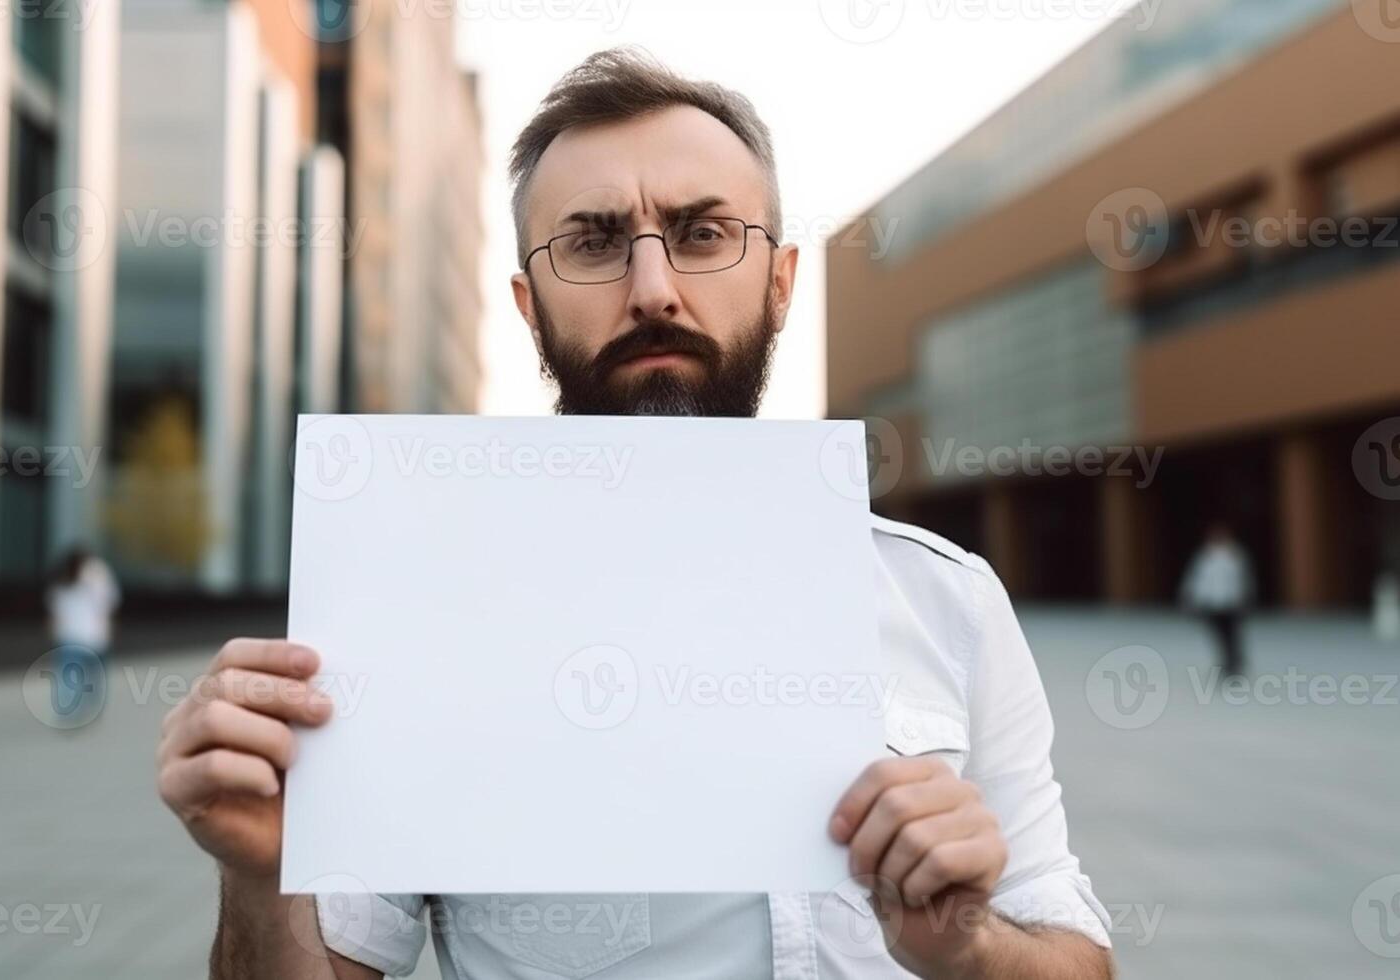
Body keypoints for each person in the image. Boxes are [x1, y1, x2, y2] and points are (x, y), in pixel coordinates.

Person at [157, 49, 1114, 980]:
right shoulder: (420, 620)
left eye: (702, 234)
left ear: (780, 284)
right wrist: (258, 875)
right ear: (529, 310)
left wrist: (971, 949)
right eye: (594, 241)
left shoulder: (946, 601)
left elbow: (1074, 952)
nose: (653, 289)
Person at [46, 546, 122, 720]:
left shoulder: (61, 578)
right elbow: (109, 602)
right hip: (94, 635)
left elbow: (55, 609)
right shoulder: (98, 574)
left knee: (68, 674)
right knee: (93, 675)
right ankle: (88, 707)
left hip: (69, 636)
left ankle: (68, 709)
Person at [1180, 523, 1255, 678]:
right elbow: (1197, 579)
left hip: (1231, 603)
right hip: (1212, 604)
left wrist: (1245, 598)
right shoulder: (1205, 556)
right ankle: (1226, 661)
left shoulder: (1235, 555)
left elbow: (1243, 579)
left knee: (1232, 634)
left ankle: (1234, 662)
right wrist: (1191, 598)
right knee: (1218, 635)